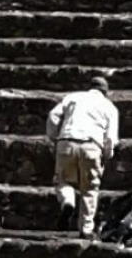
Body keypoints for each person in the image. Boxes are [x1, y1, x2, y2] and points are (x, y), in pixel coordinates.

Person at [45, 73, 121, 236]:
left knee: (62, 180)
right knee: (90, 188)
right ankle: (85, 229)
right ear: (105, 92)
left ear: (90, 87)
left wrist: (54, 137)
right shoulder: (110, 107)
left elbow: (53, 115)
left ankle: (67, 201)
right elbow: (110, 138)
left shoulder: (73, 97)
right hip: (92, 145)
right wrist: (107, 155)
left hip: (67, 140)